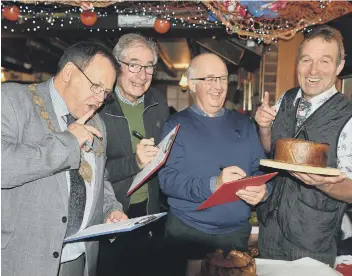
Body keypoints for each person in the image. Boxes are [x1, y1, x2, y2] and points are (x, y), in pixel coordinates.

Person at [1, 41, 127, 276]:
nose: (100, 99)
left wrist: (111, 208)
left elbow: (100, 177)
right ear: (69, 72)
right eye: (96, 86)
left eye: (106, 93)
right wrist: (69, 141)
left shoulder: (96, 122)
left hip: (79, 260)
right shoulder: (12, 100)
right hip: (24, 260)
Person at [158, 53, 270, 275]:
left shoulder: (244, 124)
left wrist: (264, 191)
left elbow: (260, 169)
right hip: (188, 233)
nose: (218, 86)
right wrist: (214, 184)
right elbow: (167, 181)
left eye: (222, 78)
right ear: (192, 85)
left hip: (236, 235)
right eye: (209, 79)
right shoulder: (175, 124)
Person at [255, 25, 352, 267]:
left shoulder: (348, 116)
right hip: (270, 229)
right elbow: (272, 151)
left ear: (339, 66)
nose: (313, 70)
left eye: (324, 61)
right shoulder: (285, 99)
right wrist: (264, 127)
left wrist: (324, 184)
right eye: (306, 60)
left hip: (312, 241)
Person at [98, 33, 169, 276]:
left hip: (149, 210)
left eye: (149, 67)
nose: (142, 75)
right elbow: (90, 171)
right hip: (112, 212)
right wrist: (135, 162)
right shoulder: (100, 105)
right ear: (118, 65)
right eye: (134, 65)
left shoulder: (157, 100)